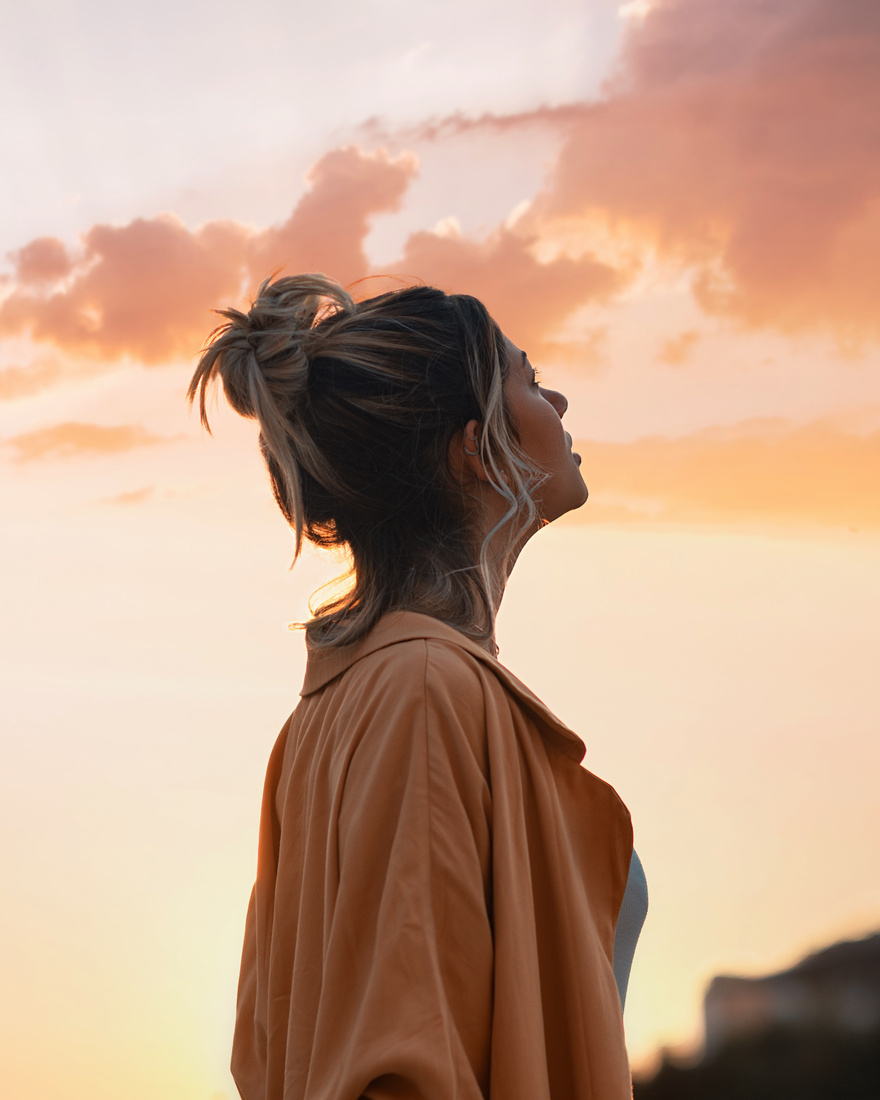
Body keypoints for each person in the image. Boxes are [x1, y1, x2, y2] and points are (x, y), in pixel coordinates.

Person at [188, 274, 648, 1100]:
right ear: (476, 448)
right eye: (529, 380)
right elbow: (405, 1061)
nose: (562, 400)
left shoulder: (340, 707)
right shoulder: (424, 687)